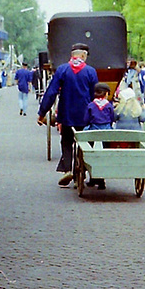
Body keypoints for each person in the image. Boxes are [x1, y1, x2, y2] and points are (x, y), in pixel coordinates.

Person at [37, 43, 98, 187]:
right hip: (85, 116)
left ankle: (68, 168)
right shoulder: (90, 71)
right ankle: (84, 171)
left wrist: (42, 113)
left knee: (66, 142)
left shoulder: (62, 70)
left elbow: (51, 92)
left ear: (73, 55)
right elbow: (94, 95)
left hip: (66, 115)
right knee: (85, 143)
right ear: (83, 56)